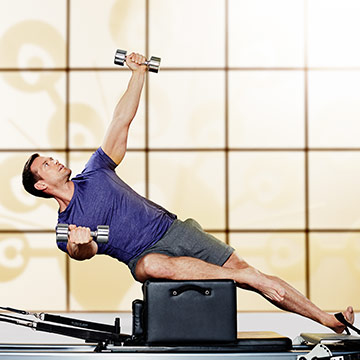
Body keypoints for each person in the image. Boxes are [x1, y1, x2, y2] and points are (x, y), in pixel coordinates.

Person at [22, 52, 354, 334]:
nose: (54, 160)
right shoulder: (66, 228)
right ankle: (244, 278)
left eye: (50, 157)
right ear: (41, 185)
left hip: (175, 229)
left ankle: (327, 318)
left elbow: (121, 120)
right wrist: (82, 244)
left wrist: (138, 73)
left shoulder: (95, 171)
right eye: (46, 164)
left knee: (248, 270)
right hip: (144, 257)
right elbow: (85, 251)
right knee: (152, 266)